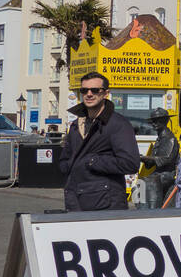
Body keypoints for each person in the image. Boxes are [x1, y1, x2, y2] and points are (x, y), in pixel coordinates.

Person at [60, 71, 141, 211]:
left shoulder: (118, 124)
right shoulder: (75, 125)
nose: (89, 94)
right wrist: (66, 166)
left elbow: (130, 164)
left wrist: (92, 161)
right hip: (75, 202)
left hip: (106, 205)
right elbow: (66, 159)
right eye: (84, 90)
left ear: (105, 93)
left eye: (95, 90)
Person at [139, 109, 180, 209]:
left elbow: (166, 159)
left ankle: (153, 212)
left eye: (156, 120)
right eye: (152, 121)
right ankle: (143, 212)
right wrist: (142, 158)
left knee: (149, 182)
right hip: (158, 173)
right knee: (139, 186)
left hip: (167, 174)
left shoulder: (170, 139)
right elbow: (152, 163)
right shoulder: (159, 139)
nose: (153, 123)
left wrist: (145, 157)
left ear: (165, 121)